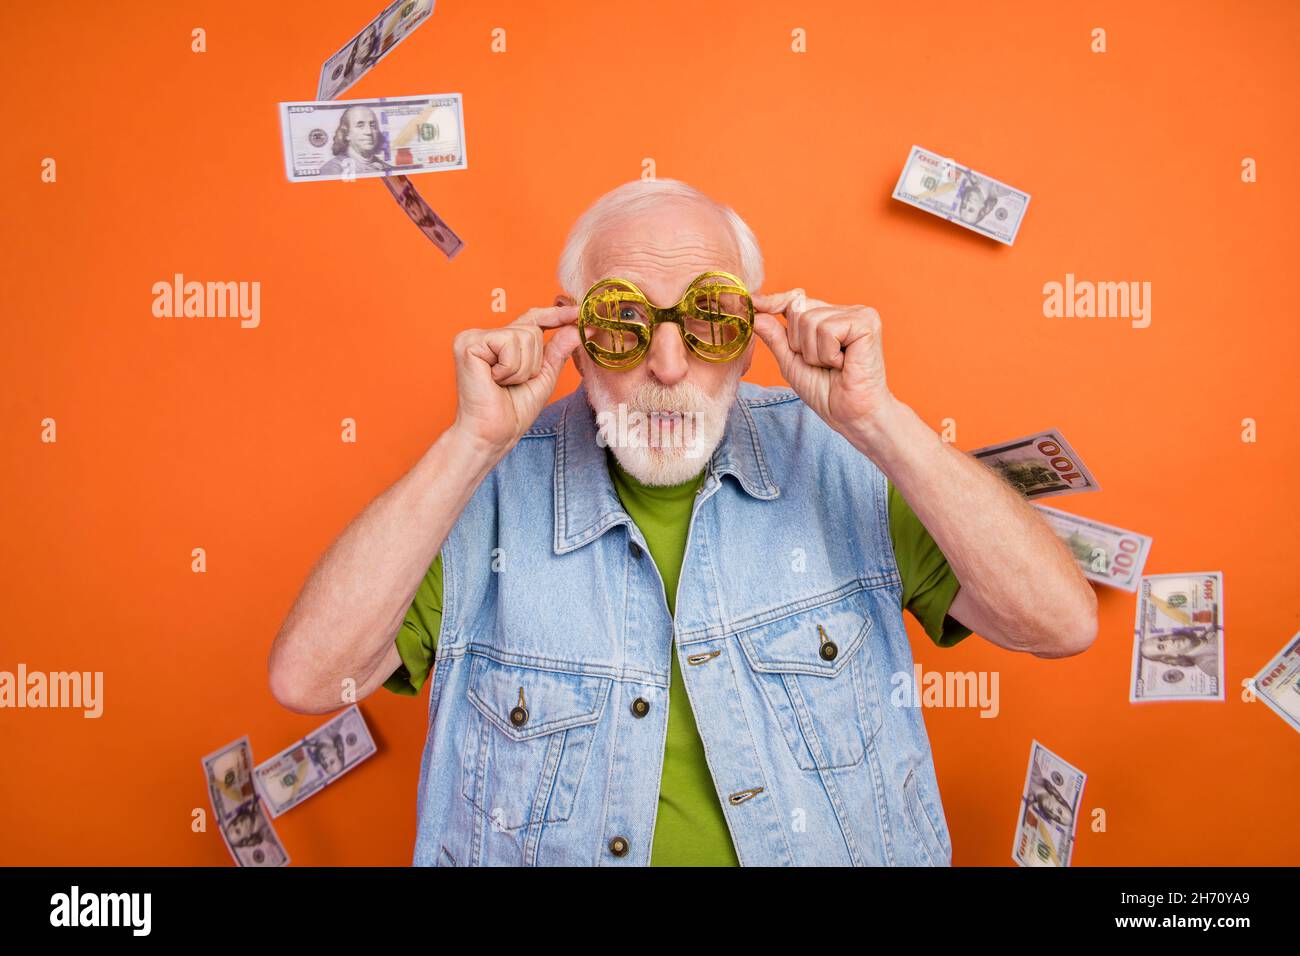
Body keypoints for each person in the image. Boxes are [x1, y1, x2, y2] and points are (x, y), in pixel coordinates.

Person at [268, 178, 1098, 866]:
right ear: (573, 335)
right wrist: (470, 443)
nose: (668, 366)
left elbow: (1059, 623)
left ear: (752, 336)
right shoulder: (479, 493)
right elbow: (309, 680)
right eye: (624, 324)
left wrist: (879, 420)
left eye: (708, 323)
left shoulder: (845, 460)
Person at [319, 106, 388, 176]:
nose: (369, 132)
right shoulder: (332, 170)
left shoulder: (387, 168)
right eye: (360, 126)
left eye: (372, 125)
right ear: (346, 133)